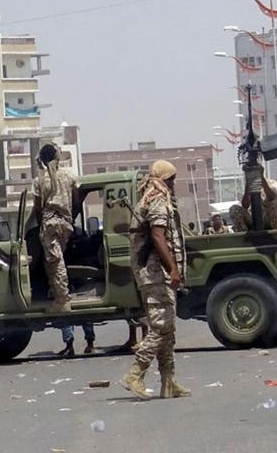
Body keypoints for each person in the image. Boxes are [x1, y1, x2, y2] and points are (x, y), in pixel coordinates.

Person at [120, 160, 190, 400]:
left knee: (168, 328)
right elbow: (158, 236)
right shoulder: (158, 199)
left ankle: (168, 381)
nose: (173, 184)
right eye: (171, 179)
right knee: (161, 327)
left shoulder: (153, 196)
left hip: (156, 273)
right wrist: (172, 268)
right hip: (155, 273)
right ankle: (135, 374)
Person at [31, 143, 80, 314]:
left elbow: (38, 208)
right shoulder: (70, 175)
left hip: (49, 223)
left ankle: (62, 299)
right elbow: (76, 202)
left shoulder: (40, 180)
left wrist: (40, 225)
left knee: (55, 261)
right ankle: (57, 293)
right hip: (65, 223)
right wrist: (70, 218)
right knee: (54, 260)